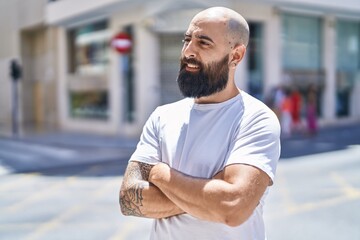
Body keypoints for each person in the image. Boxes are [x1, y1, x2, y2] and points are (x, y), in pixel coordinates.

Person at [119, 7, 281, 240]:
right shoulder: (162, 116)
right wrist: (208, 195)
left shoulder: (256, 119)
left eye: (203, 43)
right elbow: (128, 199)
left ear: (235, 55)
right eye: (187, 40)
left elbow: (232, 207)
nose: (188, 51)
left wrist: (158, 173)